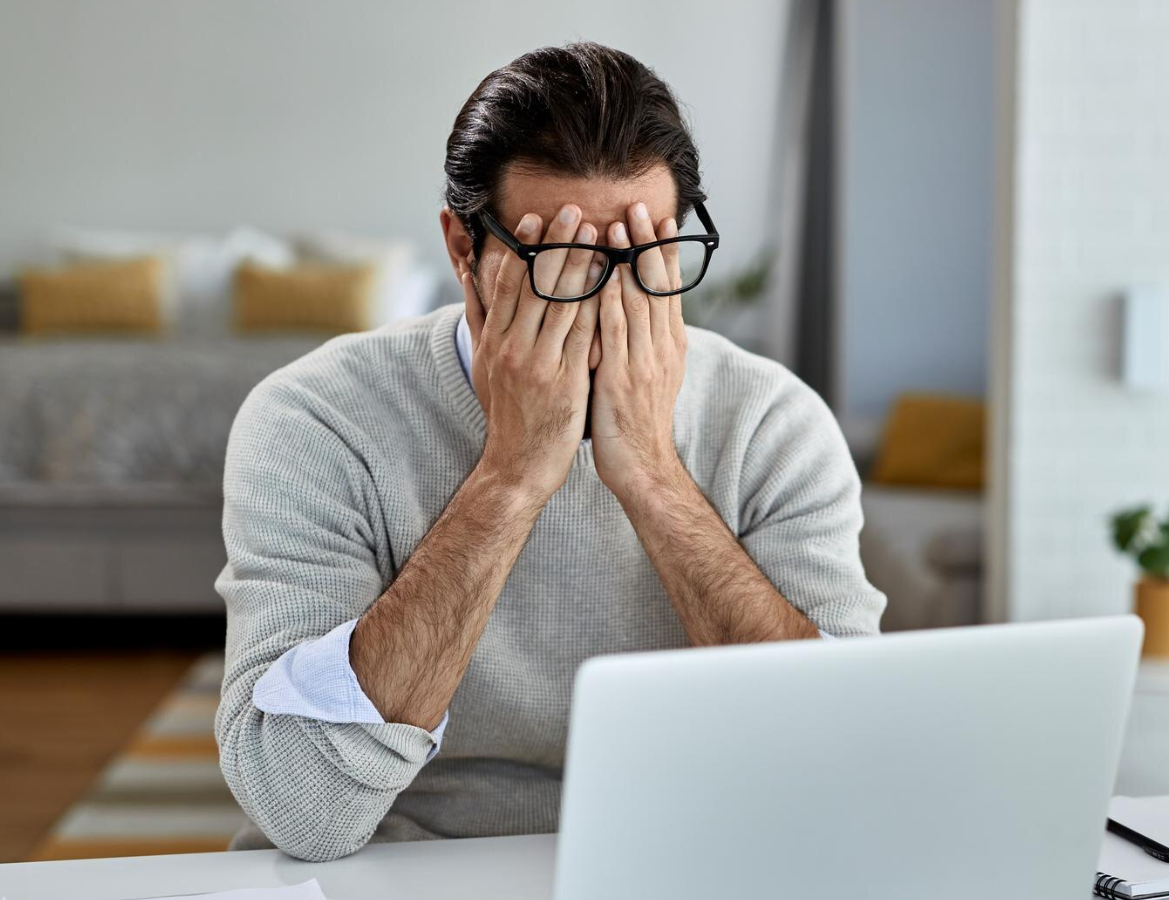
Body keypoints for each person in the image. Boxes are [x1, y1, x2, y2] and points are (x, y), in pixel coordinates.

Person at [214, 42, 885, 862]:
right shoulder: (315, 420)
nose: (610, 302)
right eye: (562, 264)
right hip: (395, 868)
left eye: (646, 255)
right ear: (465, 252)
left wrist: (652, 475)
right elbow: (304, 808)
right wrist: (512, 475)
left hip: (685, 860)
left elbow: (847, 767)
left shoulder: (773, 422)